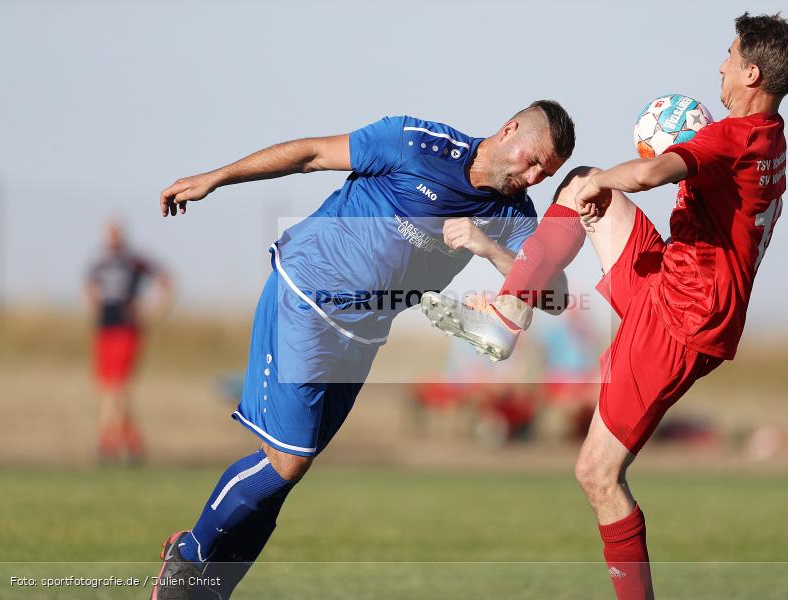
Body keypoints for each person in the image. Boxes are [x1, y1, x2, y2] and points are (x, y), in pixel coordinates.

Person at [422, 13, 788, 599]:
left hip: (680, 322)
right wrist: (596, 184)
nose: (721, 66)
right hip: (671, 283)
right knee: (582, 182)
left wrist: (608, 179)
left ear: (752, 73)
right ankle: (509, 313)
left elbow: (652, 172)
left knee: (597, 474)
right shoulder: (768, 135)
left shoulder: (734, 136)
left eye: (730, 57)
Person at [151, 101, 575, 598]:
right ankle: (187, 556)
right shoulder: (414, 142)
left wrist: (488, 247)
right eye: (533, 160)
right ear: (509, 130)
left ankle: (211, 591)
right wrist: (215, 178)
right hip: (306, 297)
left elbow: (556, 297)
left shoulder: (512, 215)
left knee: (285, 474)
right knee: (288, 462)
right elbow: (311, 154)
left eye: (547, 173)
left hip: (363, 336)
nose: (534, 177)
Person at [86, 221, 172, 463]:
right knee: (108, 387)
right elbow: (90, 287)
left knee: (118, 387)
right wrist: (94, 306)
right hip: (105, 329)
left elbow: (165, 281)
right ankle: (131, 442)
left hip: (127, 330)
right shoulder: (100, 264)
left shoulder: (134, 262)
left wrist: (152, 311)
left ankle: (106, 442)